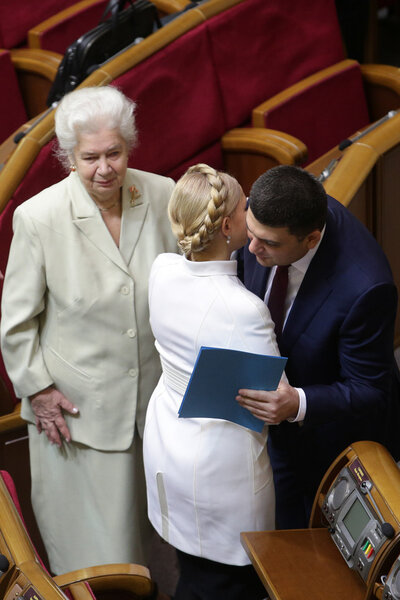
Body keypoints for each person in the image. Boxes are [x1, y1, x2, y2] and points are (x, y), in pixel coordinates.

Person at [0, 86, 177, 574]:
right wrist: (38, 390)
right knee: (102, 564)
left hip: (157, 408)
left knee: (162, 552)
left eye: (115, 153)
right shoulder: (38, 218)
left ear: (130, 146)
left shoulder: (162, 192)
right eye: (90, 157)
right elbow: (16, 324)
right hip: (77, 419)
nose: (105, 168)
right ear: (68, 157)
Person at [143, 163, 282, 600]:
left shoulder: (162, 269)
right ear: (226, 226)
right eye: (245, 207)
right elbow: (272, 396)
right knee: (226, 586)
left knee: (193, 569)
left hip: (169, 442)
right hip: (221, 469)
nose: (251, 211)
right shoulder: (243, 309)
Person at [236, 165, 400, 529]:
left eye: (269, 244)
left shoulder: (365, 287)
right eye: (250, 233)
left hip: (323, 436)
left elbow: (370, 389)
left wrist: (297, 402)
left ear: (310, 240)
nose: (251, 248)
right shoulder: (266, 216)